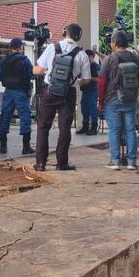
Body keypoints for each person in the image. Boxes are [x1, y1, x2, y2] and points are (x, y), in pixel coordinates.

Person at [32, 23, 91, 171]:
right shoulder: (82, 54)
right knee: (65, 128)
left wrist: (50, 73)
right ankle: (61, 163)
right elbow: (87, 79)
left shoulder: (52, 47)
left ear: (65, 32)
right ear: (78, 36)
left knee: (43, 126)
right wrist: (76, 81)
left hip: (49, 91)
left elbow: (37, 69)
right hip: (68, 93)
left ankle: (40, 163)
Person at [99, 31, 139, 170]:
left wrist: (101, 101)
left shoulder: (109, 59)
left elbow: (102, 82)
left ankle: (115, 161)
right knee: (130, 130)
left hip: (113, 99)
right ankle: (131, 162)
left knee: (114, 130)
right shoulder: (136, 58)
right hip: (130, 99)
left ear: (114, 43)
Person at [0, 38, 35, 155]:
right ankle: (26, 147)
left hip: (8, 92)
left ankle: (3, 147)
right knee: (25, 117)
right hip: (21, 92)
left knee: (5, 116)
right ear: (20, 47)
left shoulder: (4, 61)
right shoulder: (25, 60)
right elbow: (31, 75)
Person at [77, 50, 100, 135]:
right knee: (84, 109)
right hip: (85, 90)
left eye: (88, 57)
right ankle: (85, 127)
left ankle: (94, 128)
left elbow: (99, 79)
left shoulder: (96, 67)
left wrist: (90, 78)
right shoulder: (85, 66)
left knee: (92, 109)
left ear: (92, 57)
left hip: (93, 90)